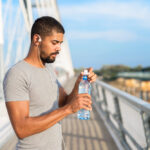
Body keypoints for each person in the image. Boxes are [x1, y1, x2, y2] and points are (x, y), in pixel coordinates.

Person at [3, 16, 97, 150]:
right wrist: (69, 109)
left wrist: (79, 83)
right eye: (54, 42)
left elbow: (64, 102)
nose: (59, 48)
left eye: (60, 43)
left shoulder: (48, 69)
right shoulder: (17, 74)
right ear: (37, 39)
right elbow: (21, 128)